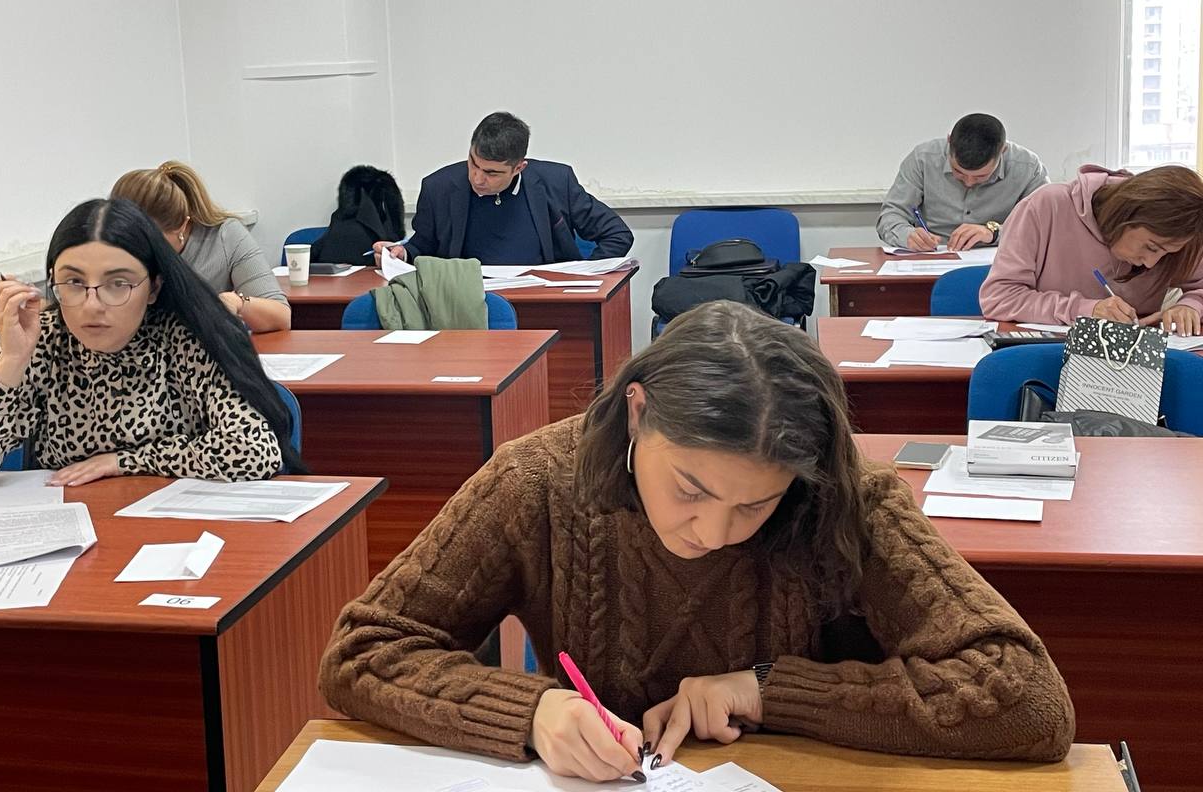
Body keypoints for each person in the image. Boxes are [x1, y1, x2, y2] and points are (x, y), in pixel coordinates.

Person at [319, 301, 1074, 782]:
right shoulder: (537, 482)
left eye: (756, 504)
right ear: (637, 413)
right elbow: (365, 651)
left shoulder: (844, 496)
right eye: (690, 489)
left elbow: (1027, 697)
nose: (714, 533)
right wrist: (533, 712)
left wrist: (768, 690)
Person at [0, 198, 303, 491]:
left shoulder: (186, 336)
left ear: (153, 287)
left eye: (118, 284)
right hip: (74, 532)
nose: (92, 305)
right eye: (74, 282)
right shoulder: (44, 340)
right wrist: (9, 362)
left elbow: (252, 452)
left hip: (179, 531)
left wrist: (123, 461)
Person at [374, 112, 633, 266]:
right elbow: (423, 246)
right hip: (466, 304)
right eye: (473, 163)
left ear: (519, 168)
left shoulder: (556, 182)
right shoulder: (438, 187)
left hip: (544, 300)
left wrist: (587, 277)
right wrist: (401, 254)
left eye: (491, 173)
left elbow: (617, 234)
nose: (477, 178)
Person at [980, 164, 1203, 334]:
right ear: (1126, 215)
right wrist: (1085, 310)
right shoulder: (1046, 207)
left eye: (1168, 253)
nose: (1152, 263)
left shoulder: (1184, 228)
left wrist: (1190, 307)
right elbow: (999, 298)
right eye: (1151, 247)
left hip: (1133, 365)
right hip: (1046, 354)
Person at [112, 161, 291, 332]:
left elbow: (281, 317)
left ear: (182, 225)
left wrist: (237, 302)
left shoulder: (224, 236)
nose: (136, 251)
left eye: (148, 242)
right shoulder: (107, 249)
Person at [877, 113, 1049, 252]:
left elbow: (1046, 225)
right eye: (958, 172)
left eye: (981, 176)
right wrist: (907, 235)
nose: (969, 182)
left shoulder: (1028, 167)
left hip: (1000, 261)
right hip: (932, 256)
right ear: (949, 141)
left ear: (1003, 150)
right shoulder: (923, 159)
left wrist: (994, 233)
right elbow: (891, 216)